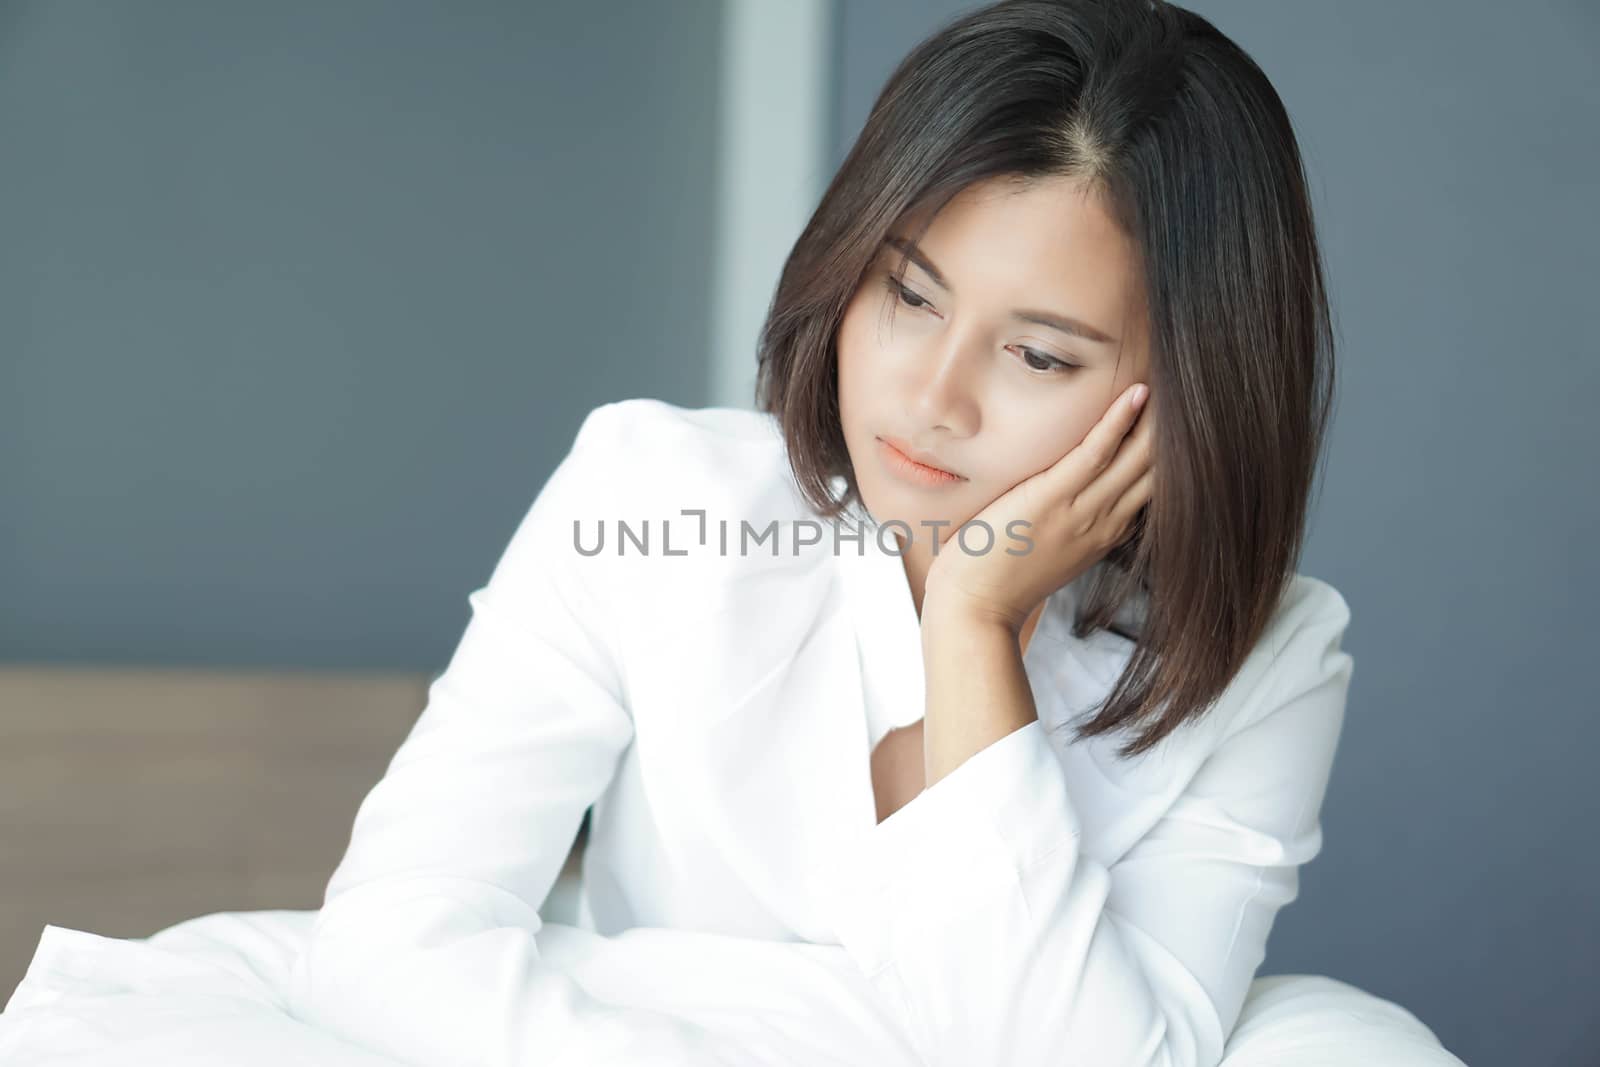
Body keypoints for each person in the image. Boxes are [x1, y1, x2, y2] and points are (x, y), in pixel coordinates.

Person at [285, 1, 1353, 1064]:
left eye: (1037, 356)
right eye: (908, 293)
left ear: (1188, 390)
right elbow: (389, 940)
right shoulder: (651, 493)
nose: (934, 396)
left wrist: (970, 625)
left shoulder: (1270, 657)